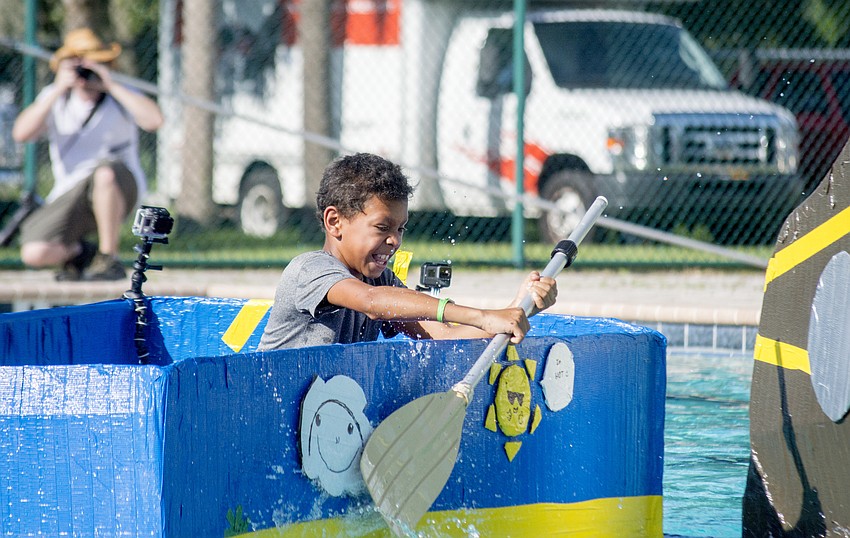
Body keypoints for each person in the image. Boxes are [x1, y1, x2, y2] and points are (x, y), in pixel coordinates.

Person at [258, 152, 558, 351]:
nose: (394, 241)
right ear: (335, 222)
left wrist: (517, 307)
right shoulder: (309, 270)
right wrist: (481, 316)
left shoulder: (381, 282)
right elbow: (372, 303)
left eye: (400, 229)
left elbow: (444, 335)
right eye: (382, 227)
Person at [12, 28, 164, 281]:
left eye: (95, 63)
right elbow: (21, 133)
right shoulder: (56, 99)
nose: (86, 73)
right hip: (71, 191)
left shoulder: (120, 95)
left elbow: (155, 120)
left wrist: (110, 84)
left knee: (104, 172)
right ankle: (84, 254)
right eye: (80, 65)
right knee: (34, 252)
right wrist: (59, 88)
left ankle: (109, 258)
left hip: (120, 187)